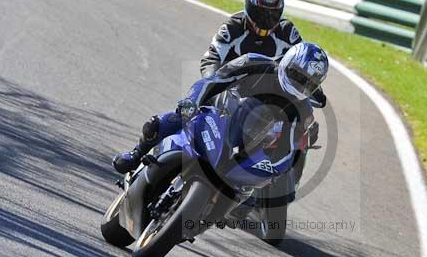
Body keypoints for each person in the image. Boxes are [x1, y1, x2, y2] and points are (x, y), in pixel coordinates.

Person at [112, 42, 330, 194]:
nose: (300, 85)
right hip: (218, 111)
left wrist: (274, 169)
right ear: (287, 63)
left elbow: (289, 151)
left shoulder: (302, 108)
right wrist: (192, 101)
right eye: (298, 77)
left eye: (308, 83)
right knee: (160, 123)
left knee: (256, 182)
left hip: (251, 140)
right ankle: (136, 153)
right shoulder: (255, 63)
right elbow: (213, 81)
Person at [200, 0, 327, 109]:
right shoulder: (233, 27)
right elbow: (212, 58)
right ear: (249, 7)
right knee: (202, 109)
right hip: (232, 91)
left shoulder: (287, 31)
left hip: (269, 96)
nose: (266, 20)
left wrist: (314, 88)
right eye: (260, 14)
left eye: (272, 15)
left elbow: (303, 62)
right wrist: (212, 82)